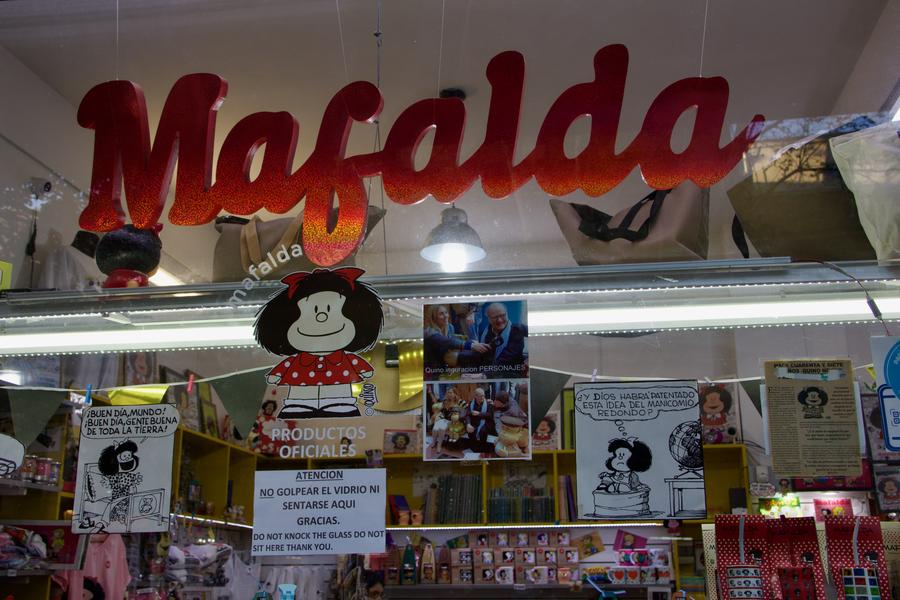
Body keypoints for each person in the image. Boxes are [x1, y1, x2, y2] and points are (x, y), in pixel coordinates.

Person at [255, 268, 382, 419]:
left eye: (330, 310)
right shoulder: (298, 360)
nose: (321, 318)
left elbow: (360, 366)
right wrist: (276, 375)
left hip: (338, 394)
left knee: (338, 400)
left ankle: (338, 404)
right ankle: (299, 405)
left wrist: (364, 371)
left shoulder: (344, 358)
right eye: (312, 311)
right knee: (301, 400)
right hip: (301, 395)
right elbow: (283, 368)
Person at [424, 304, 490, 371]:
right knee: (473, 356)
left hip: (446, 359)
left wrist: (472, 342)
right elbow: (448, 342)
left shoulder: (450, 327)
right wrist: (471, 345)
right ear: (433, 317)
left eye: (446, 312)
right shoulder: (429, 332)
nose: (446, 316)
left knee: (477, 352)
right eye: (441, 314)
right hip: (434, 367)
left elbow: (452, 340)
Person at [479, 303, 527, 374]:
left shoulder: (517, 330)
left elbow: (506, 358)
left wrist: (484, 375)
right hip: (488, 371)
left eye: (503, 315)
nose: (499, 320)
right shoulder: (485, 333)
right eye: (495, 317)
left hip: (511, 373)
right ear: (488, 318)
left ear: (507, 314)